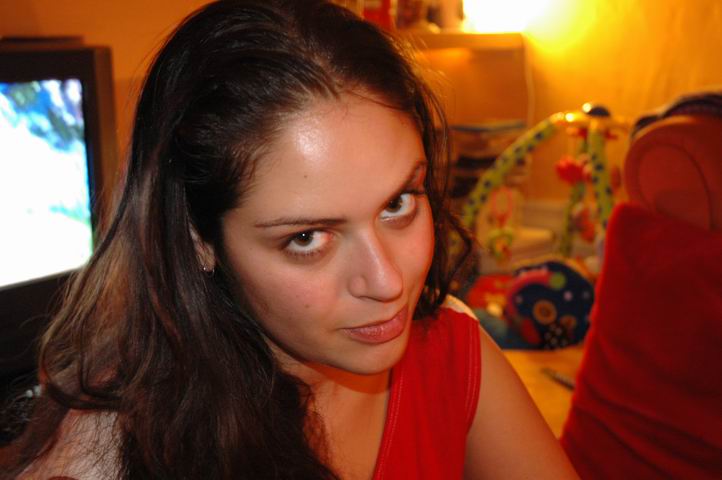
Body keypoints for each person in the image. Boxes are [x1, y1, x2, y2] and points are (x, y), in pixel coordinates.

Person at [0, 1, 578, 478]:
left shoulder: (453, 352)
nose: (387, 282)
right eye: (307, 238)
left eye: (398, 203)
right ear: (197, 238)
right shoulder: (116, 449)